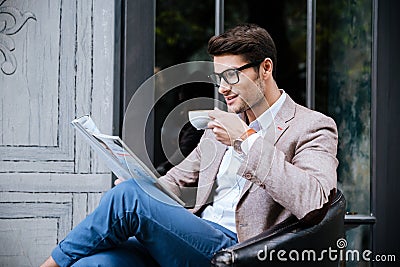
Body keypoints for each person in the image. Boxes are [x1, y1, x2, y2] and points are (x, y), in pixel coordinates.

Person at [41, 24, 338, 267]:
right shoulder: (219, 126)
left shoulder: (311, 126)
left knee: (129, 197)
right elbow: (174, 182)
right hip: (194, 238)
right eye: (218, 78)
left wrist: (247, 141)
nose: (222, 88)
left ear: (265, 68)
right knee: (96, 264)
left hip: (239, 251)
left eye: (231, 76)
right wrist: (143, 183)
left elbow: (314, 200)